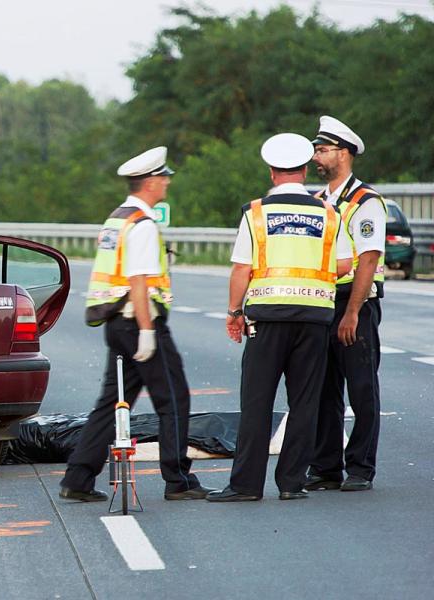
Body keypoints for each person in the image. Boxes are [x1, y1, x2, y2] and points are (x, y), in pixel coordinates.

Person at [61, 146, 211, 503]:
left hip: (115, 322)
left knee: (112, 403)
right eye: (163, 177)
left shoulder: (117, 219)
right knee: (173, 398)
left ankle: (78, 477)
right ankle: (178, 479)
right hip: (138, 322)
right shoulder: (141, 225)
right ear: (150, 182)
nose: (167, 183)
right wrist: (147, 330)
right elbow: (139, 280)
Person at [208, 133, 353, 502]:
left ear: (273, 172)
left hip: (267, 320)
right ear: (304, 171)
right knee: (304, 402)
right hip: (314, 318)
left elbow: (241, 269)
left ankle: (245, 485)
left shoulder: (256, 213)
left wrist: (233, 312)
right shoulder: (329, 213)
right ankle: (291, 483)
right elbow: (345, 263)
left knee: (257, 401)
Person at [306, 116, 387, 493]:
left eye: (322, 150)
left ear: (345, 153)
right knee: (324, 388)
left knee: (361, 386)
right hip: (323, 302)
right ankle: (325, 468)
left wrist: (353, 312)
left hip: (356, 302)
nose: (316, 157)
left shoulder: (365, 202)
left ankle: (360, 467)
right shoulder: (318, 201)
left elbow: (368, 261)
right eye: (316, 150)